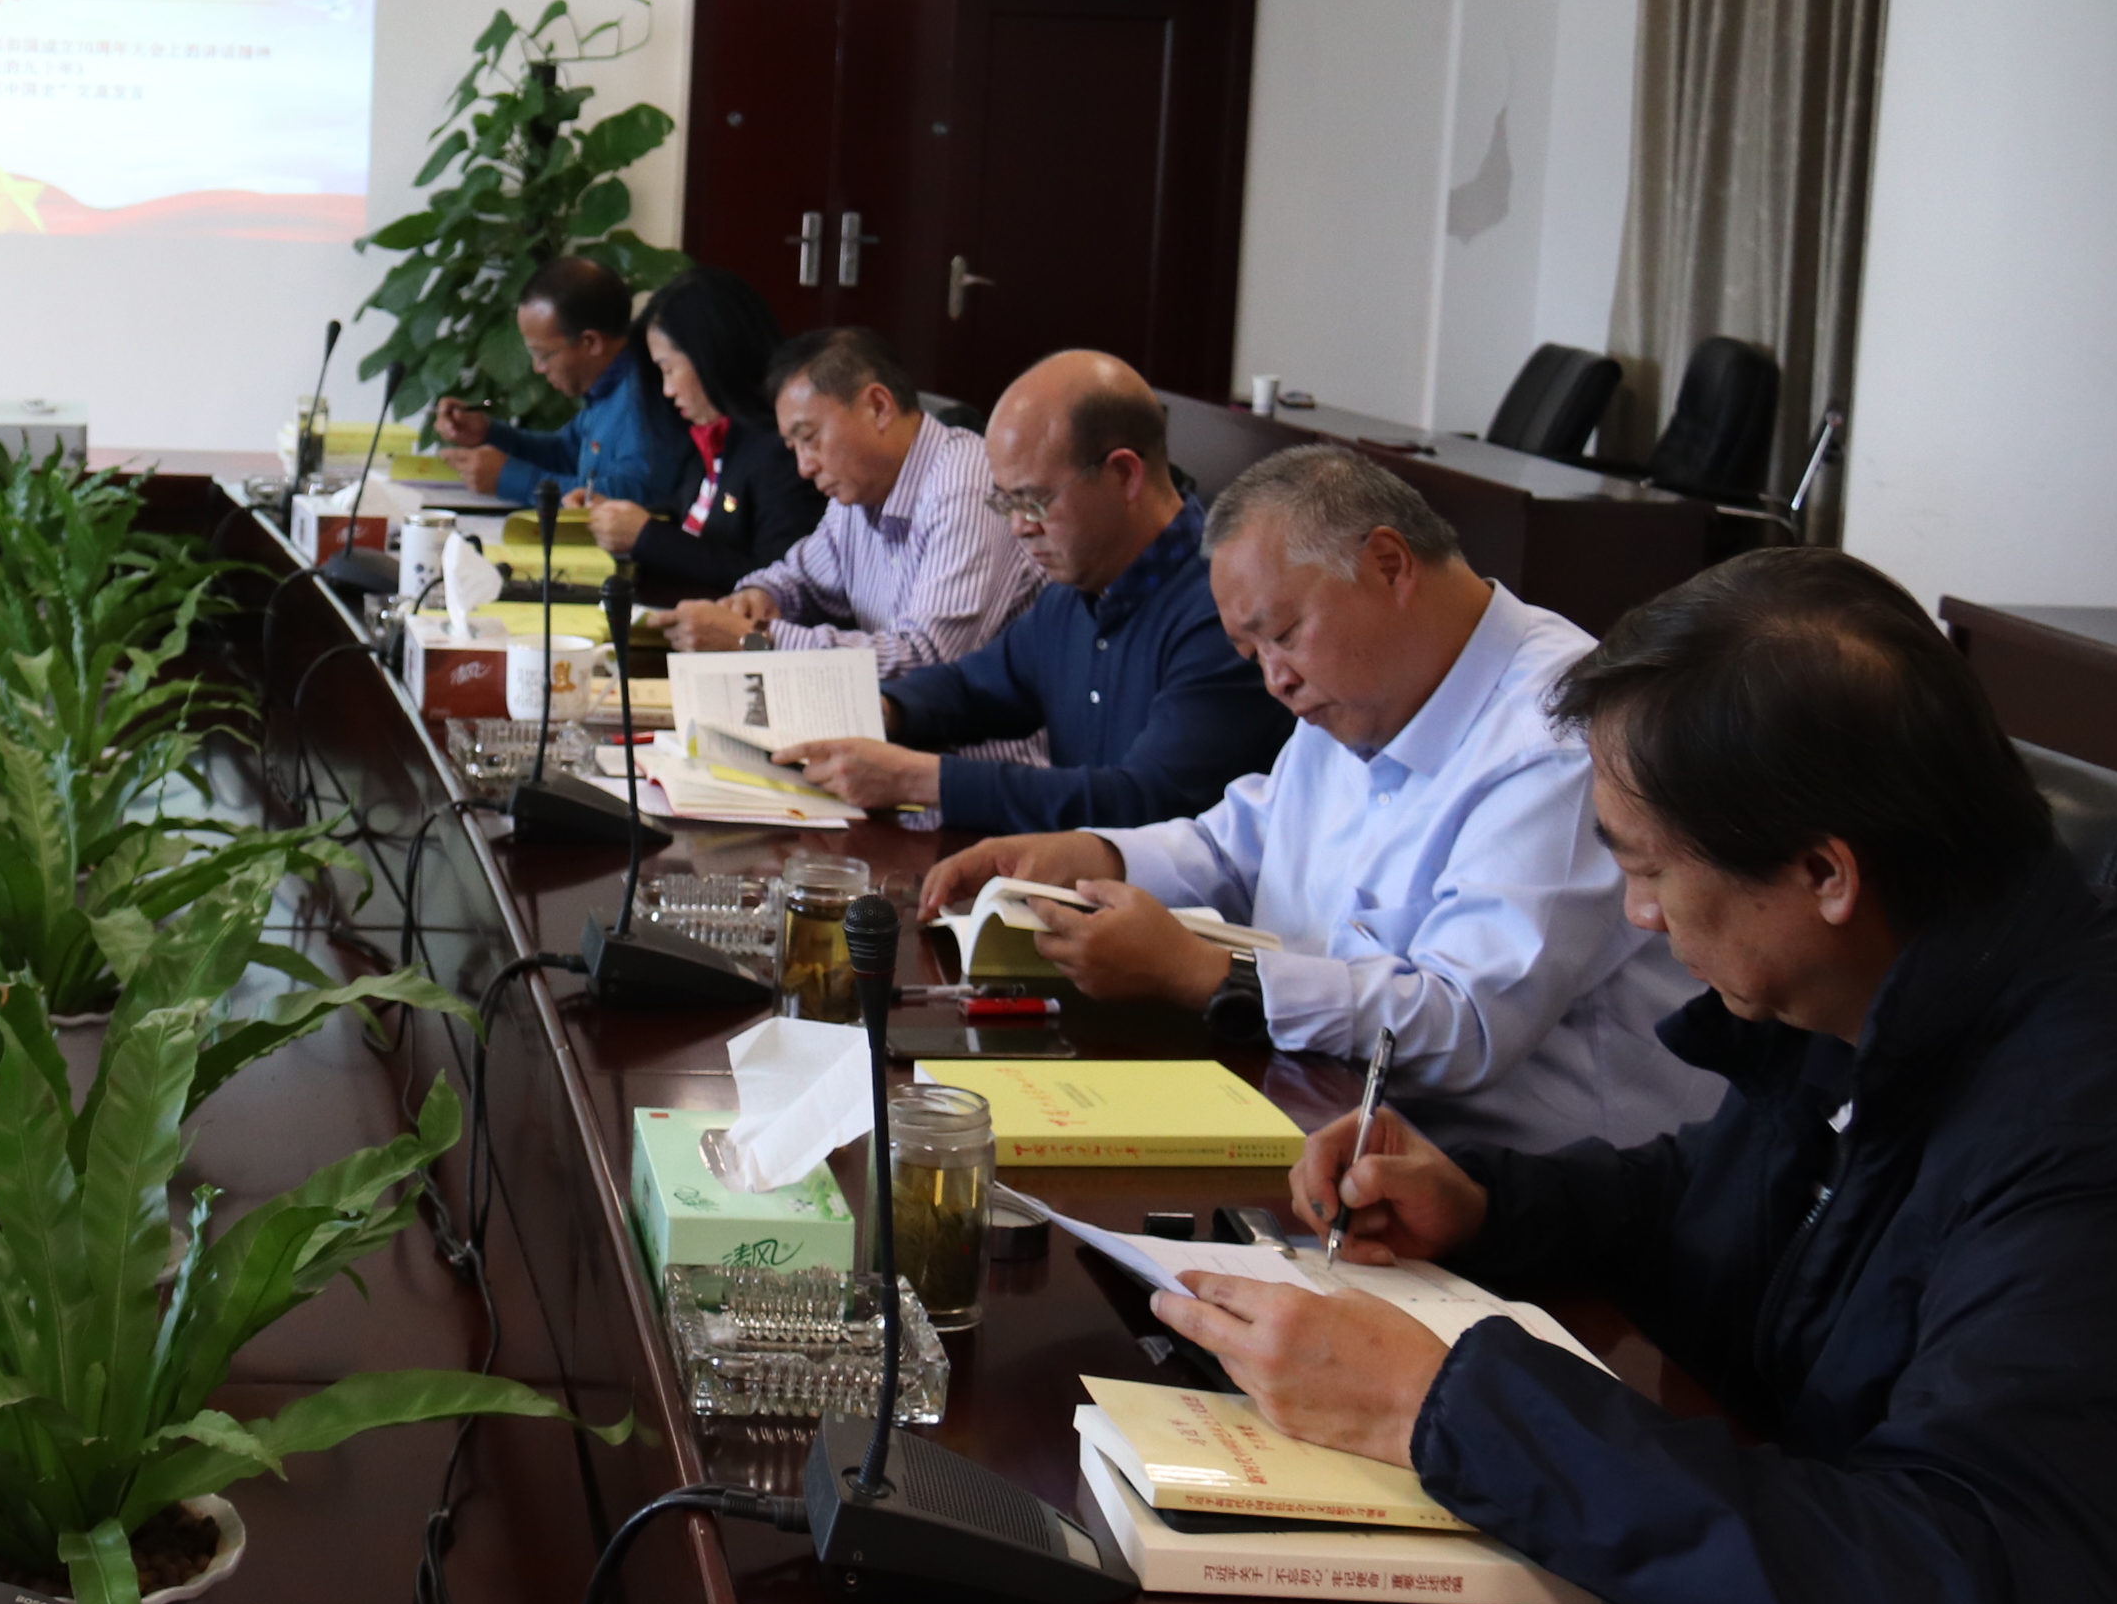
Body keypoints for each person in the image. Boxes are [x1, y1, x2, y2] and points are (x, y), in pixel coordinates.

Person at [1156, 552, 2117, 1604]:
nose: (1639, 916)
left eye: (1649, 867)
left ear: (1825, 874)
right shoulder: (1882, 985)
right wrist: (1486, 1203)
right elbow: (1719, 1202)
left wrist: (1438, 1408)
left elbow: (1961, 1596)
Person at [922, 442, 1717, 1149]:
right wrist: (1096, 856)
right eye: (1252, 652)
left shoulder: (1558, 739)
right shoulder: (1366, 685)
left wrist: (1211, 975)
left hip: (1515, 1197)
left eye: (1283, 635)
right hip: (1322, 1121)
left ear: (1389, 565)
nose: (1275, 678)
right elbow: (1242, 845)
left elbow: (1465, 1025)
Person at [779, 349, 1288, 832]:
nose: (1020, 527)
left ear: (1124, 475)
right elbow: (976, 687)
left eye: (1034, 501)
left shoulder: (1223, 610)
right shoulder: (1075, 590)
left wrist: (922, 780)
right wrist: (885, 710)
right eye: (1006, 503)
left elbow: (1147, 803)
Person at [661, 328, 1042, 680]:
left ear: (878, 407)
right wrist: (759, 597)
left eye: (810, 438)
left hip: (980, 732)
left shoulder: (964, 489)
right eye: (794, 448)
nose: (804, 467)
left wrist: (752, 640)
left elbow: (927, 663)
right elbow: (801, 580)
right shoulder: (859, 492)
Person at [579, 266, 816, 597]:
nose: (667, 390)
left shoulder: (783, 452)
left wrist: (647, 536)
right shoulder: (716, 437)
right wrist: (620, 516)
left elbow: (779, 582)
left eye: (669, 370)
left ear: (712, 355)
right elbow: (692, 517)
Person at [429, 255, 693, 517]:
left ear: (591, 342)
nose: (538, 368)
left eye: (543, 355)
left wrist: (516, 480)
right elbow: (566, 454)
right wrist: (490, 434)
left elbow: (637, 498)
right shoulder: (606, 386)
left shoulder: (647, 397)